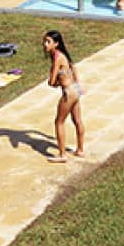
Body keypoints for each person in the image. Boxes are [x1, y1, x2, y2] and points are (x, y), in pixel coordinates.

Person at [45, 30, 85, 163]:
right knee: (77, 120)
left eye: (48, 42)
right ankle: (80, 150)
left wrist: (55, 81)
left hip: (68, 91)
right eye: (44, 41)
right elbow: (73, 67)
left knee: (59, 122)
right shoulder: (62, 54)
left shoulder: (57, 57)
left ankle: (62, 154)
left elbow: (51, 82)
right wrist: (78, 83)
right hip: (74, 89)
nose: (45, 44)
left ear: (56, 44)